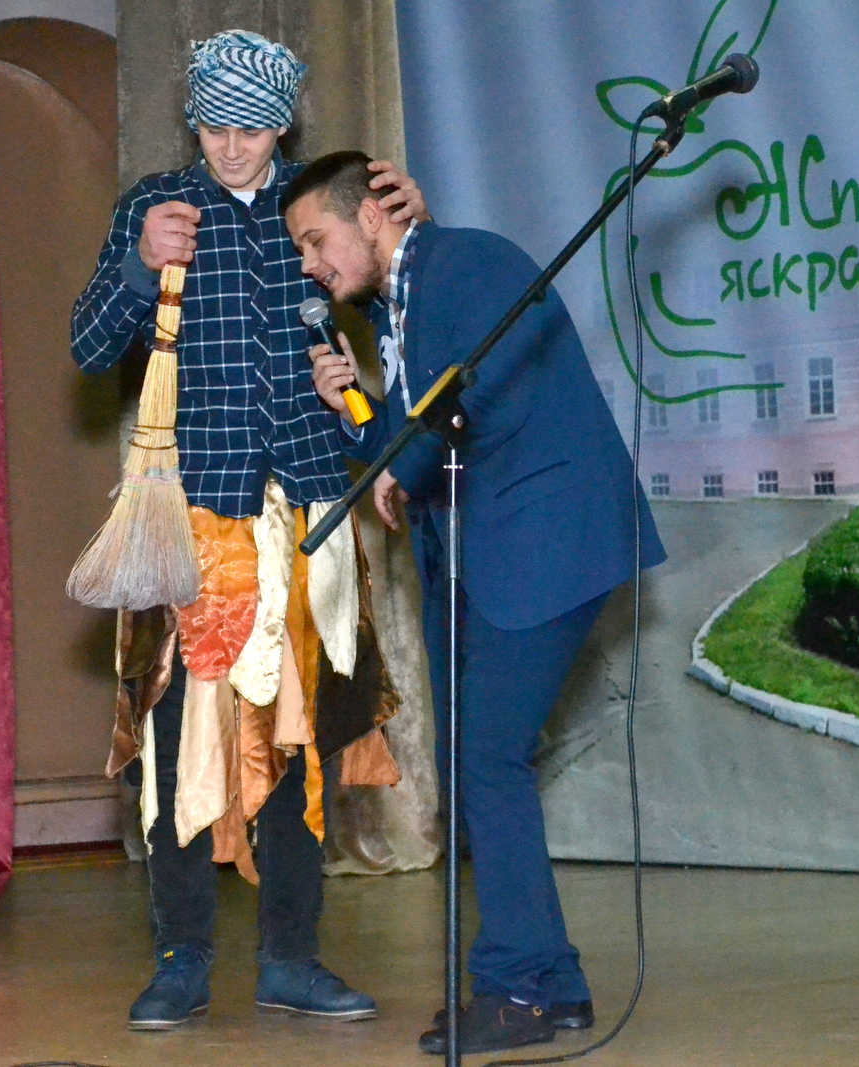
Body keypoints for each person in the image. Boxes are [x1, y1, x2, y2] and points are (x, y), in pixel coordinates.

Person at [70, 33, 424, 1032]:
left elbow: (401, 326)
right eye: (215, 126)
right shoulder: (155, 205)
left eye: (253, 129)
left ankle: (291, 958)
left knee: (300, 743)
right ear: (194, 121)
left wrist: (403, 246)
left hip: (307, 507)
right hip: (190, 521)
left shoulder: (311, 210)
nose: (232, 147)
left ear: (283, 127)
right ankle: (180, 958)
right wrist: (140, 266)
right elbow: (88, 345)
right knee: (177, 741)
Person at [281, 151, 666, 1055]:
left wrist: (406, 458)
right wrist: (355, 409)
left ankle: (516, 989)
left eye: (315, 240)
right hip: (483, 551)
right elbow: (411, 433)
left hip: (546, 539)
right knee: (477, 760)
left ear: (370, 217)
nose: (310, 265)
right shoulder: (399, 305)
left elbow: (483, 391)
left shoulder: (470, 264)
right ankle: (554, 984)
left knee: (486, 755)